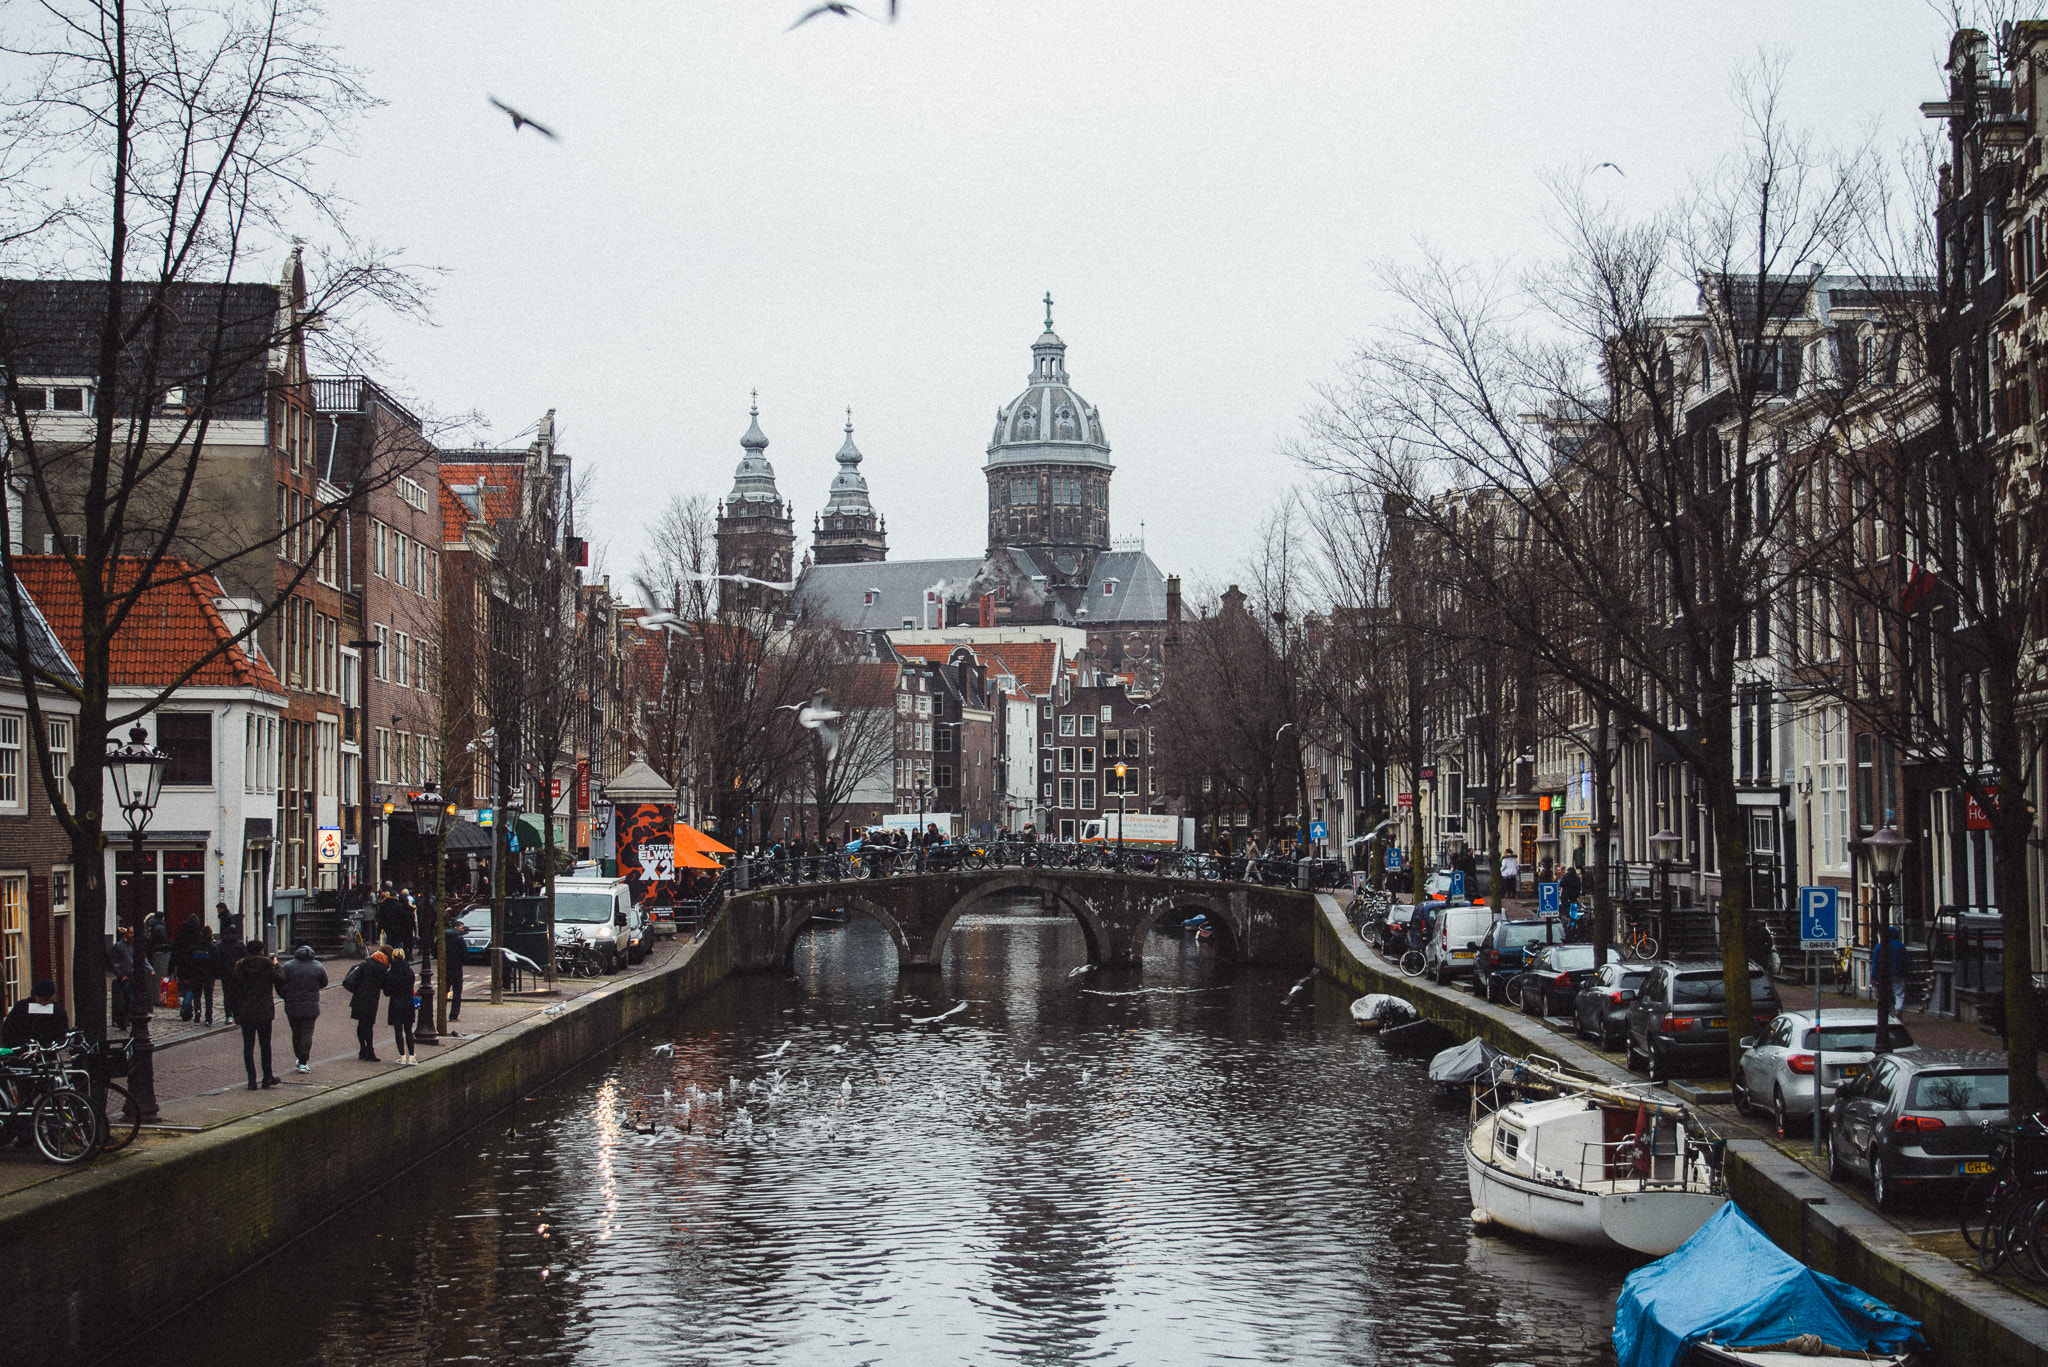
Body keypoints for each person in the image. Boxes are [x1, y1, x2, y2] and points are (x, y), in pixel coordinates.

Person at [108, 935, 160, 1118]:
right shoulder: (120, 946)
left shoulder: (136, 946)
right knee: (127, 1000)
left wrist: (150, 969)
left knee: (133, 999)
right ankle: (129, 1020)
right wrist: (120, 974)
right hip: (126, 977)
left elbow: (142, 959)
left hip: (133, 977)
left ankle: (133, 1018)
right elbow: (113, 961)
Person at [227, 939, 283, 1090]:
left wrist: (235, 1013)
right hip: (264, 1011)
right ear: (261, 951)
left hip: (246, 1012)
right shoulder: (268, 966)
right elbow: (281, 979)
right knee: (265, 1046)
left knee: (248, 1047)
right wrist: (277, 965)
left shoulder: (240, 967)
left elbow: (232, 993)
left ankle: (251, 1080)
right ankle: (267, 1077)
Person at [279, 945, 328, 1073]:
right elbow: (324, 983)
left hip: (292, 1005)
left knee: (296, 1033)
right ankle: (303, 1061)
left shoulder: (288, 966)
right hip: (311, 1006)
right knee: (307, 1034)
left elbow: (280, 982)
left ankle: (299, 1057)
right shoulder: (318, 966)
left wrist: (285, 995)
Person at [350, 947, 390, 1061]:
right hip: (371, 998)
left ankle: (362, 1048)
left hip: (359, 996)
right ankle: (370, 1051)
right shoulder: (382, 967)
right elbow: (384, 985)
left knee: (361, 1024)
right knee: (369, 1025)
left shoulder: (367, 961)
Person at [2, 979, 68, 1048]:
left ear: (52, 997)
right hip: (23, 1050)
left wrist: (48, 1046)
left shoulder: (58, 1012)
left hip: (48, 1052)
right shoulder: (21, 1007)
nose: (43, 1003)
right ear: (35, 996)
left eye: (46, 1000)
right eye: (40, 1000)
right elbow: (8, 1029)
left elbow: (62, 1034)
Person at [385, 947, 417, 1066]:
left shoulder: (390, 973)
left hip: (395, 1003)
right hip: (408, 1003)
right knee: (408, 1030)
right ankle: (412, 1057)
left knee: (398, 1031)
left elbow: (386, 992)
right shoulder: (410, 972)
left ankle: (402, 1056)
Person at [1879, 923, 1908, 1011]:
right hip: (1898, 973)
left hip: (1884, 974)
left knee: (1884, 993)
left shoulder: (1880, 946)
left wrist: (1874, 976)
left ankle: (1886, 1010)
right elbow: (1905, 960)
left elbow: (1876, 962)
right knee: (1899, 993)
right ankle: (1898, 1009)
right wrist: (1905, 971)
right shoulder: (1900, 946)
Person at [444, 916, 467, 1023]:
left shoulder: (442, 937)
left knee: (444, 991)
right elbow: (464, 954)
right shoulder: (459, 939)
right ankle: (454, 1015)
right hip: (457, 968)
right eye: (461, 928)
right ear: (456, 928)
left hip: (444, 967)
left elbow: (434, 951)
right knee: (457, 993)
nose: (463, 930)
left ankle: (441, 1013)